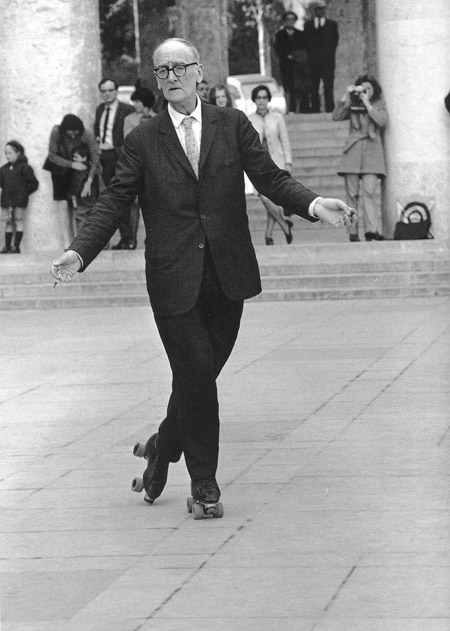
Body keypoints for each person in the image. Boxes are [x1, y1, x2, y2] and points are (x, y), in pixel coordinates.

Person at [51, 38, 356, 512]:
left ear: (198, 73)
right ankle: (204, 485)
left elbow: (269, 177)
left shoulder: (232, 124)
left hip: (227, 273)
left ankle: (160, 448)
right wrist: (79, 250)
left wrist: (314, 203)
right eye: (161, 71)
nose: (169, 76)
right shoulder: (142, 140)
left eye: (178, 67)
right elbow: (114, 200)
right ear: (156, 81)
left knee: (198, 378)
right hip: (173, 278)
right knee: (197, 374)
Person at [332, 74, 387, 242]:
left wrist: (367, 104)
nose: (365, 92)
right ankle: (352, 231)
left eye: (369, 89)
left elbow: (382, 121)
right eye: (362, 89)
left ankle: (372, 230)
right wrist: (345, 99)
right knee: (352, 194)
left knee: (370, 192)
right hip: (353, 150)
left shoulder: (378, 103)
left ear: (374, 90)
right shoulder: (352, 102)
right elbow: (336, 116)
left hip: (372, 150)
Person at [248, 84, 294, 245]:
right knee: (265, 197)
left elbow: (285, 140)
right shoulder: (249, 119)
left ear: (268, 99)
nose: (261, 101)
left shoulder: (277, 117)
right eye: (258, 98)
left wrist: (288, 161)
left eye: (264, 97)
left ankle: (268, 235)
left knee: (272, 198)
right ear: (254, 100)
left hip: (277, 163)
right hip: (258, 166)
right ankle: (284, 224)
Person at [46, 114, 98, 249]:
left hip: (80, 176)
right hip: (61, 174)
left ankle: (81, 241)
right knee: (64, 208)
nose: (74, 135)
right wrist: (71, 164)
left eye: (77, 132)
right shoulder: (57, 132)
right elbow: (52, 155)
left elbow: (95, 158)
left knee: (81, 208)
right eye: (71, 132)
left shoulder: (87, 134)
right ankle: (68, 244)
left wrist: (89, 180)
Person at [94, 78, 134, 249]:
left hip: (120, 156)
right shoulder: (100, 109)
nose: (107, 94)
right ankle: (124, 237)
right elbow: (99, 129)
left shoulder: (127, 109)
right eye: (103, 91)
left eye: (110, 90)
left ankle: (129, 238)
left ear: (116, 91)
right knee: (111, 199)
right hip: (104, 156)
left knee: (123, 197)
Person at [123, 87, 157, 248]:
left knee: (153, 203)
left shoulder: (157, 118)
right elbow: (128, 142)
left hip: (155, 166)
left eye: (137, 101)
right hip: (137, 165)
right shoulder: (129, 119)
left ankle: (152, 237)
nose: (135, 104)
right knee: (134, 203)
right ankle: (132, 238)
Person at [0, 141, 38, 253]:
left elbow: (33, 184)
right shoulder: (4, 169)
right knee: (8, 222)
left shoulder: (25, 168)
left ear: (18, 153)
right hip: (7, 200)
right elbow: (1, 183)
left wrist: (23, 193)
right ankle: (7, 246)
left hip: (20, 201)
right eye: (6, 153)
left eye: (10, 153)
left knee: (18, 220)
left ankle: (16, 247)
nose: (7, 155)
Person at [304, 0, 339, 113]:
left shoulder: (332, 25)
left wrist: (328, 55)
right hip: (313, 61)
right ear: (314, 11)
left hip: (327, 61)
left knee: (328, 85)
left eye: (322, 9)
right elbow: (307, 43)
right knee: (314, 85)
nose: (320, 11)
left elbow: (334, 41)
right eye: (318, 9)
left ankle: (330, 108)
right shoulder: (308, 25)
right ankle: (315, 108)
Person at [274, 11, 311, 114]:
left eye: (292, 19)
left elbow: (304, 48)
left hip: (298, 66)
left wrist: (297, 57)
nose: (290, 21)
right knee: (288, 87)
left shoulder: (300, 33)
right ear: (285, 21)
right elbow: (278, 49)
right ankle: (290, 109)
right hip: (286, 65)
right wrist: (287, 56)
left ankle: (301, 108)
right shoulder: (280, 34)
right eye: (288, 19)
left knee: (299, 87)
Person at [67, 144, 100, 235]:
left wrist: (73, 196)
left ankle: (82, 244)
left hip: (83, 201)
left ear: (84, 158)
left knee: (81, 220)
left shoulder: (79, 171)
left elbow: (76, 185)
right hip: (93, 201)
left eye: (76, 157)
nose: (74, 159)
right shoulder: (93, 172)